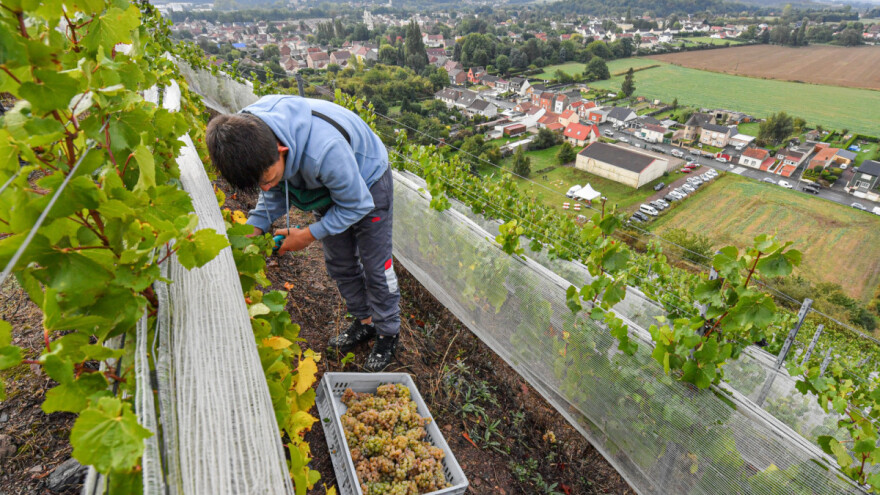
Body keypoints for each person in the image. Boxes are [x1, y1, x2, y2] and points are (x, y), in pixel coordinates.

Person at [206, 95, 400, 372]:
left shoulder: (324, 151)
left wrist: (307, 235)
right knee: (340, 262)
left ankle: (388, 332)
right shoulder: (244, 136)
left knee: (376, 265)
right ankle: (365, 322)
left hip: (366, 181)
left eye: (267, 179)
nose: (264, 188)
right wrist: (253, 228)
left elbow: (357, 204)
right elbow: (273, 189)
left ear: (282, 149)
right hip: (323, 183)